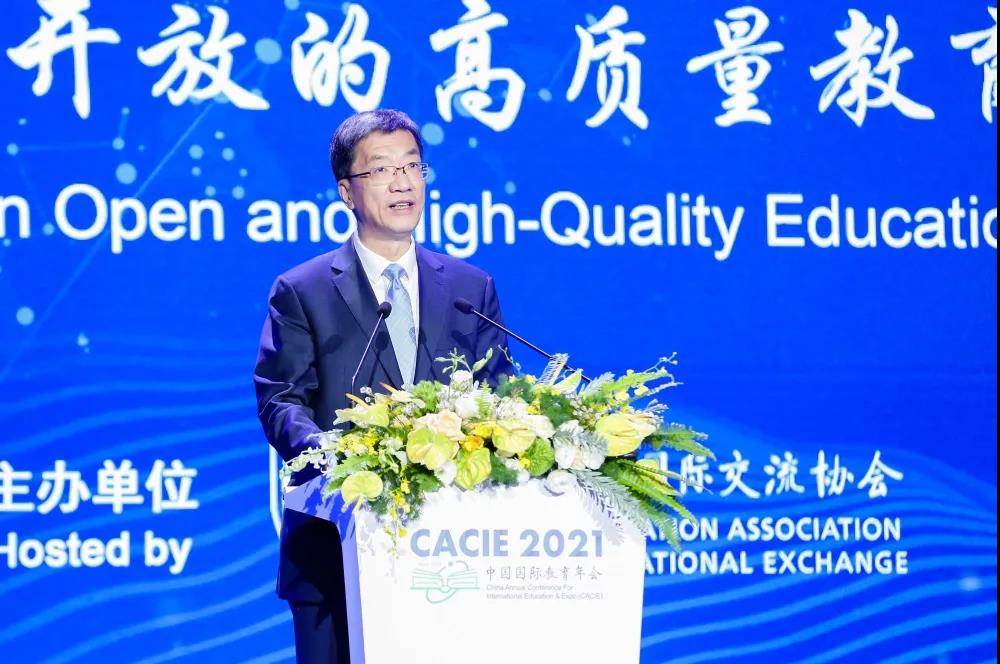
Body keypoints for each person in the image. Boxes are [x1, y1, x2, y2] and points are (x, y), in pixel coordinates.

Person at [253, 109, 513, 664]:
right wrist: (332, 454)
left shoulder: (470, 288)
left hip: (457, 554)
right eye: (381, 169)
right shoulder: (302, 290)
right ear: (347, 191)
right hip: (333, 550)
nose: (402, 183)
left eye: (412, 166)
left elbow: (500, 398)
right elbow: (281, 399)